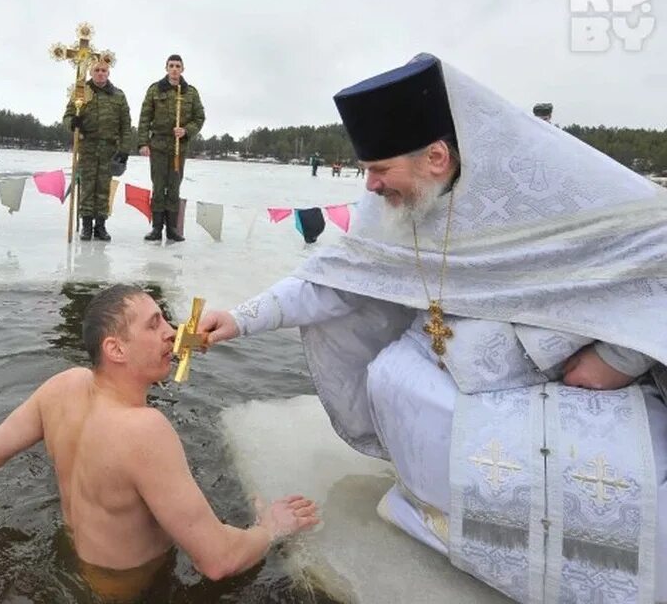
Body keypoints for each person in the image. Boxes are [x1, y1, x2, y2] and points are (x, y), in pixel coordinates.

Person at [199, 54, 667, 602]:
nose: (368, 185)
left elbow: (655, 259)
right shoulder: (395, 202)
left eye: (378, 169)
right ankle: (439, 512)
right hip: (450, 374)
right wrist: (238, 319)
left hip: (555, 382)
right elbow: (334, 282)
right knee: (394, 377)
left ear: (437, 158)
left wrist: (617, 359)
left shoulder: (548, 191)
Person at [0, 284, 319, 600]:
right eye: (154, 325)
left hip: (72, 567)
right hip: (124, 591)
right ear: (115, 350)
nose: (173, 333)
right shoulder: (145, 430)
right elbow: (217, 561)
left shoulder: (64, 387)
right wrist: (271, 528)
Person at [62, 58, 131, 242]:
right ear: (91, 72)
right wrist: (73, 123)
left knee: (103, 188)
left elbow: (126, 125)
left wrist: (124, 150)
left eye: (104, 70)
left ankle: (100, 225)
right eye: (97, 70)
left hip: (109, 148)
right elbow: (67, 116)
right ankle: (86, 225)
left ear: (109, 73)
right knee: (87, 186)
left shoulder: (118, 96)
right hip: (88, 146)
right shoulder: (81, 92)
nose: (100, 73)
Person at [138, 55, 205, 242]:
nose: (174, 69)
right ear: (166, 68)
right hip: (158, 144)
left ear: (182, 69)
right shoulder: (155, 90)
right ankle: (157, 228)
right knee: (158, 186)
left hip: (178, 147)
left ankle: (172, 229)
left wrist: (186, 130)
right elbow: (144, 117)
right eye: (171, 66)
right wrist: (143, 143)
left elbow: (199, 118)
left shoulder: (190, 92)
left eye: (178, 66)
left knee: (174, 187)